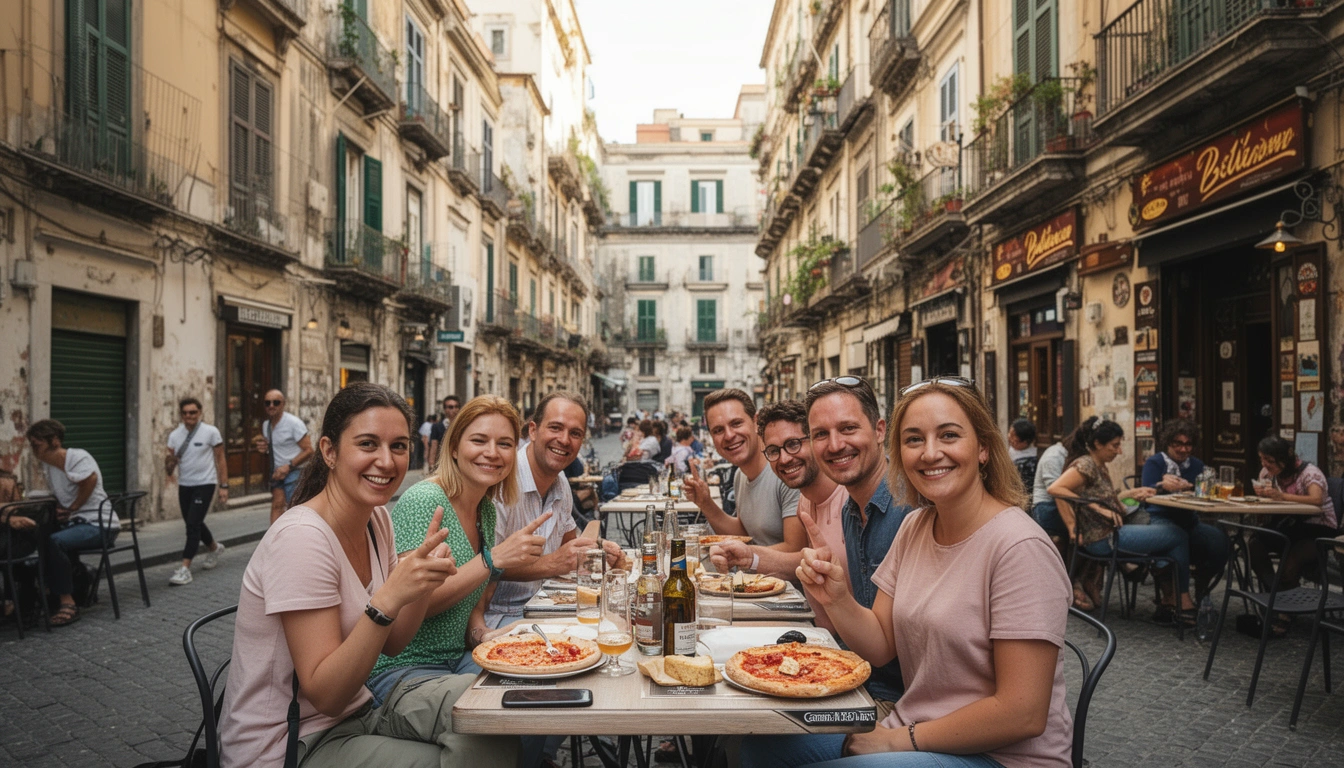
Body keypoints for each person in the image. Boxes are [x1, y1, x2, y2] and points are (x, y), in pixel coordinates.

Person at [749, 378, 1074, 767]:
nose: (930, 453)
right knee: (761, 746)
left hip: (998, 756)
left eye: (949, 436)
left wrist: (894, 741)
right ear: (900, 451)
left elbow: (1023, 712)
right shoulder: (916, 526)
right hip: (914, 730)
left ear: (984, 447)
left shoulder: (1019, 548)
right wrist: (836, 597)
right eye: (915, 440)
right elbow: (882, 644)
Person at [217, 383, 517, 768]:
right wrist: (387, 599)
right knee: (473, 754)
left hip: (359, 711)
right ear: (329, 451)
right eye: (368, 444)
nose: (387, 462)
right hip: (291, 742)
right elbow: (327, 696)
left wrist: (421, 582)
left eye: (398, 446)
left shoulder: (377, 520)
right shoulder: (301, 540)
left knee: (495, 716)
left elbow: (393, 643)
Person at [366, 395, 551, 703]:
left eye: (504, 444)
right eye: (479, 440)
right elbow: (410, 605)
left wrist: (484, 634)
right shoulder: (424, 499)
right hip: (403, 668)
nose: (492, 453)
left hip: (459, 659)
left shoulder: (486, 510)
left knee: (541, 688)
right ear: (453, 447)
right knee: (510, 705)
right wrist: (492, 559)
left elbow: (474, 605)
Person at [709, 400, 849, 632]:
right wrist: (748, 558)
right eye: (774, 451)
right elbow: (806, 561)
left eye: (793, 444)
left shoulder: (849, 499)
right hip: (816, 630)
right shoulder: (804, 500)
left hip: (838, 641)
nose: (784, 459)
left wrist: (751, 556)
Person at [483, 391, 619, 629]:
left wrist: (598, 551)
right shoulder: (501, 481)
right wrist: (553, 563)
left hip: (544, 605)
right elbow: (484, 567)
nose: (564, 440)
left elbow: (570, 544)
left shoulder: (560, 482)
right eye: (555, 428)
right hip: (498, 618)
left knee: (621, 622)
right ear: (533, 431)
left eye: (575, 433)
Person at [1048, 417, 1195, 623]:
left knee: (1169, 533)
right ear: (1098, 444)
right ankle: (1181, 600)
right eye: (1115, 446)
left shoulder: (1098, 464)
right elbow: (1056, 488)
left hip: (1109, 534)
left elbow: (1107, 499)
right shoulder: (1086, 464)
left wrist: (1133, 492)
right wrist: (1093, 509)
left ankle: (1172, 602)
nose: (1119, 452)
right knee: (1177, 535)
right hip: (1105, 539)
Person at [682, 389, 804, 549]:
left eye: (736, 423)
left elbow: (796, 549)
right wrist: (705, 503)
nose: (729, 435)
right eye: (718, 430)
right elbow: (745, 535)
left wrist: (746, 557)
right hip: (752, 573)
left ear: (756, 422)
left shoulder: (785, 469)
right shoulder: (740, 475)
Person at [25, 419, 114, 627]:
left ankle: (68, 602)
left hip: (99, 524)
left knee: (56, 541)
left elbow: (89, 480)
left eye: (37, 444)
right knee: (39, 535)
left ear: (54, 440)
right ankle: (44, 592)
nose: (33, 449)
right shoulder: (50, 467)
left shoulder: (77, 456)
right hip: (77, 524)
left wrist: (73, 507)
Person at [1249, 435, 1339, 636]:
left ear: (1285, 459)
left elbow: (1316, 499)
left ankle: (1286, 610)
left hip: (1317, 527)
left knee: (1290, 563)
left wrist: (1281, 497)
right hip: (1289, 524)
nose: (1265, 465)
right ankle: (1277, 594)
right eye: (1263, 459)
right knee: (1255, 543)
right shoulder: (1268, 473)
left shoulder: (1309, 473)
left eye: (1270, 461)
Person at [1139, 419, 1229, 602]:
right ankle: (1172, 597)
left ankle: (1202, 583)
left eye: (1188, 444)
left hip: (1189, 521)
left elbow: (1206, 492)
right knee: (1175, 539)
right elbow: (1145, 491)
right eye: (1177, 444)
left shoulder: (1197, 465)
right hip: (1161, 518)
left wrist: (1192, 488)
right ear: (1168, 443)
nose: (1183, 449)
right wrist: (1162, 486)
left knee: (1220, 542)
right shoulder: (1155, 463)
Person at [165, 398, 229, 586]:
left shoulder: (211, 432)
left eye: (192, 412)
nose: (188, 416)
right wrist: (169, 465)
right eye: (185, 413)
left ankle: (185, 568)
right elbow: (169, 462)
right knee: (195, 522)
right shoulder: (175, 436)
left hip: (206, 484)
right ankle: (214, 548)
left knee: (192, 525)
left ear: (199, 412)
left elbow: (221, 459)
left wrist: (224, 486)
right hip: (185, 485)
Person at [254, 390, 314, 523]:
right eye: (267, 403)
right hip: (278, 473)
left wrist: (289, 466)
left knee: (294, 508)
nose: (271, 406)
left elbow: (309, 450)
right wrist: (264, 449)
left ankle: (299, 539)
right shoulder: (266, 425)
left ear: (283, 404)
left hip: (295, 472)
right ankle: (273, 541)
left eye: (276, 402)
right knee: (276, 505)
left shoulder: (293, 423)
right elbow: (272, 448)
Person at [1029, 430, 1072, 543]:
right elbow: (1055, 492)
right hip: (1046, 507)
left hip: (1053, 504)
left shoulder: (1063, 455)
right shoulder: (1054, 456)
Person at [425, 395, 461, 471]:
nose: (454, 409)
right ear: (445, 409)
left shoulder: (463, 425)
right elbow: (434, 445)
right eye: (450, 407)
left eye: (456, 406)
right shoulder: (437, 426)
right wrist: (431, 464)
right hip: (443, 465)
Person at [1008, 418, 1039, 492]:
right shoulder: (1012, 450)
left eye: (1014, 439)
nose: (1010, 439)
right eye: (1009, 434)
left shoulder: (1030, 462)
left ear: (1025, 442)